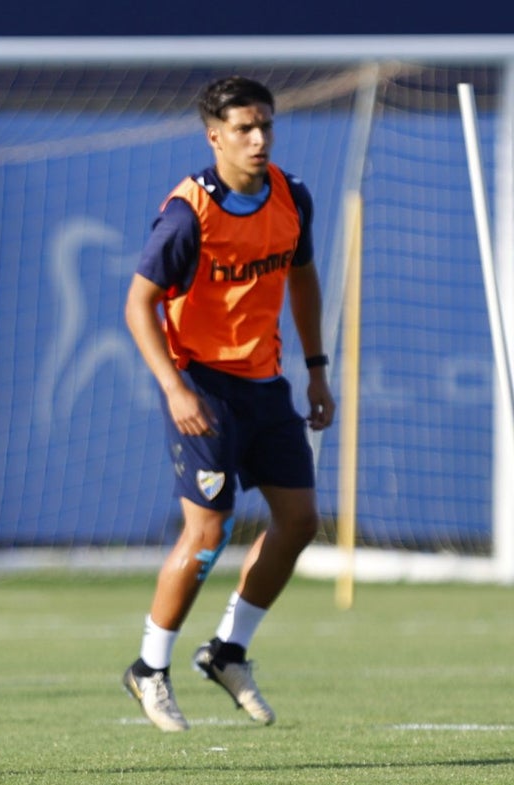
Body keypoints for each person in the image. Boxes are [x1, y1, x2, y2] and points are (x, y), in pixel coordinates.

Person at [121, 76, 335, 732]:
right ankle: (149, 668)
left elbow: (302, 280)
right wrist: (176, 388)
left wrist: (317, 369)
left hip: (265, 383)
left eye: (266, 125)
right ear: (214, 136)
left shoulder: (291, 196)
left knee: (299, 521)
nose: (259, 138)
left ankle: (227, 650)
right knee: (209, 530)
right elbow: (138, 305)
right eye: (244, 128)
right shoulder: (190, 212)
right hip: (202, 387)